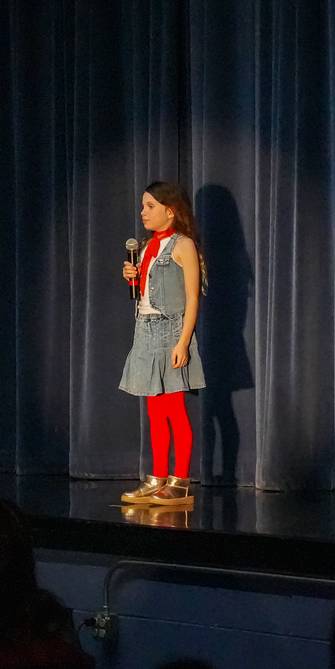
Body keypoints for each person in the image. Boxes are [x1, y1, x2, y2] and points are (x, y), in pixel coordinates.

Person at [119, 181, 206, 505]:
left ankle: (180, 481)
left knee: (174, 410)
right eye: (143, 206)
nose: (143, 212)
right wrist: (135, 276)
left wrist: (183, 342)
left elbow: (192, 298)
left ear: (170, 211)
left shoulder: (183, 246)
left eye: (150, 206)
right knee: (155, 411)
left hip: (171, 331)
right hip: (145, 329)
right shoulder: (147, 246)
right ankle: (157, 477)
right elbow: (149, 290)